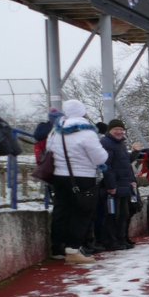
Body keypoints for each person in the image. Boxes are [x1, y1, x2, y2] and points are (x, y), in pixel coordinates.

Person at [47, 100, 109, 264]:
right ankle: (73, 250)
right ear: (83, 112)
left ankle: (57, 248)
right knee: (82, 212)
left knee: (61, 211)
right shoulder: (87, 132)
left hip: (59, 176)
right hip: (82, 177)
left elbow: (49, 150)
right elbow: (100, 157)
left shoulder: (55, 131)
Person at [98, 119, 142, 250]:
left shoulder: (120, 143)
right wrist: (111, 186)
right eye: (116, 129)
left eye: (121, 130)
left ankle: (121, 239)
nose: (119, 132)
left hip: (124, 185)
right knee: (113, 215)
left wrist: (134, 152)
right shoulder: (106, 143)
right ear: (109, 130)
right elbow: (106, 166)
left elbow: (124, 162)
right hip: (115, 186)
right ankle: (111, 241)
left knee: (124, 214)